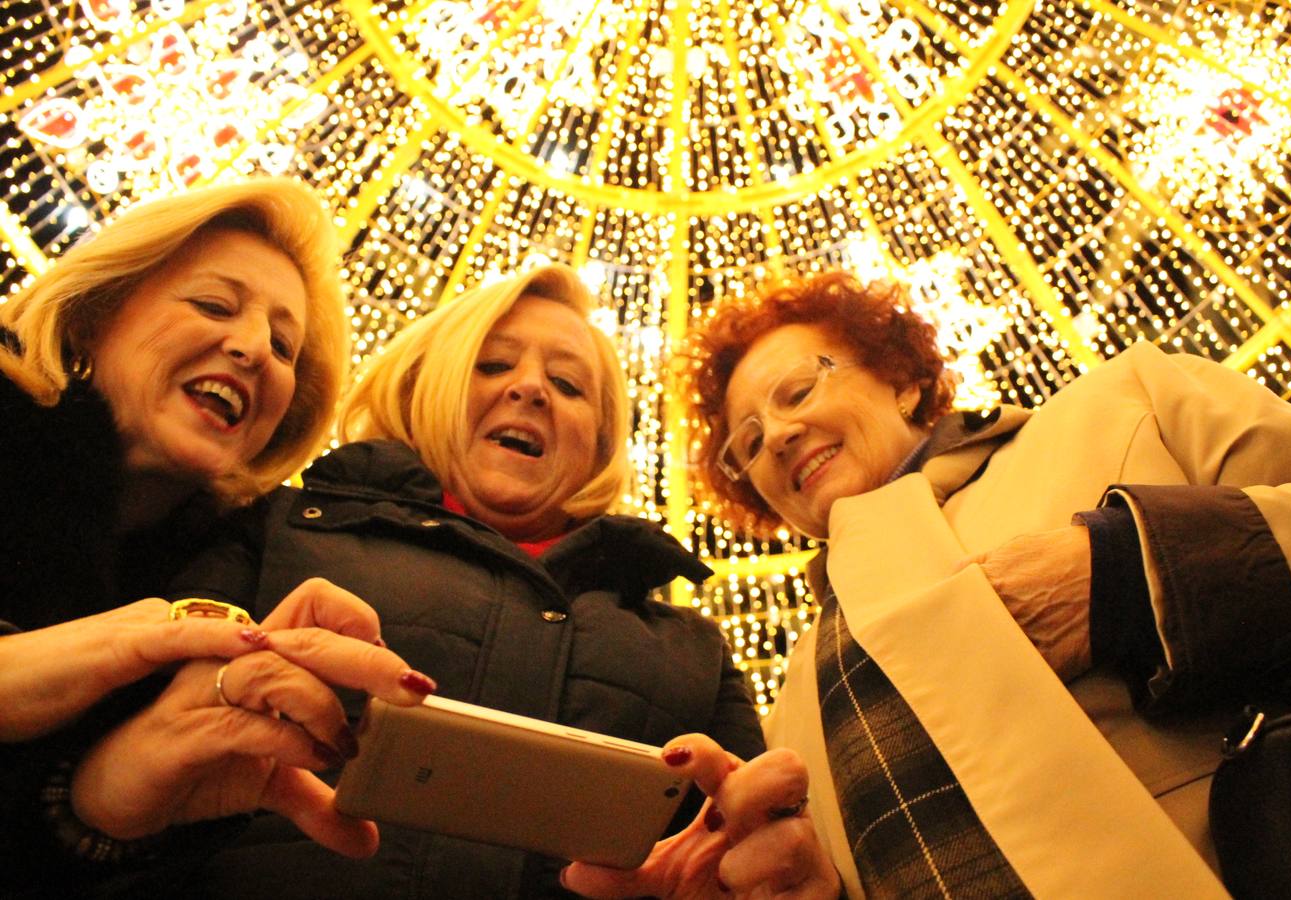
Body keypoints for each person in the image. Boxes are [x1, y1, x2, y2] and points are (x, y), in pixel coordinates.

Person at [564, 269, 1291, 898]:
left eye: (797, 392)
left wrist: (1129, 573)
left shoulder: (1124, 404)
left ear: (900, 379)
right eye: (746, 442)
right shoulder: (796, 696)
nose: (775, 434)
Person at [145, 262, 764, 898]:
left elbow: (753, 846)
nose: (530, 389)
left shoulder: (695, 651)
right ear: (426, 389)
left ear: (600, 440)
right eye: (493, 365)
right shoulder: (277, 530)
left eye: (568, 385)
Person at [0, 179, 438, 897]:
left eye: (283, 344)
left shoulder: (221, 586)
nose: (253, 349)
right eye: (213, 305)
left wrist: (97, 810)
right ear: (91, 315)